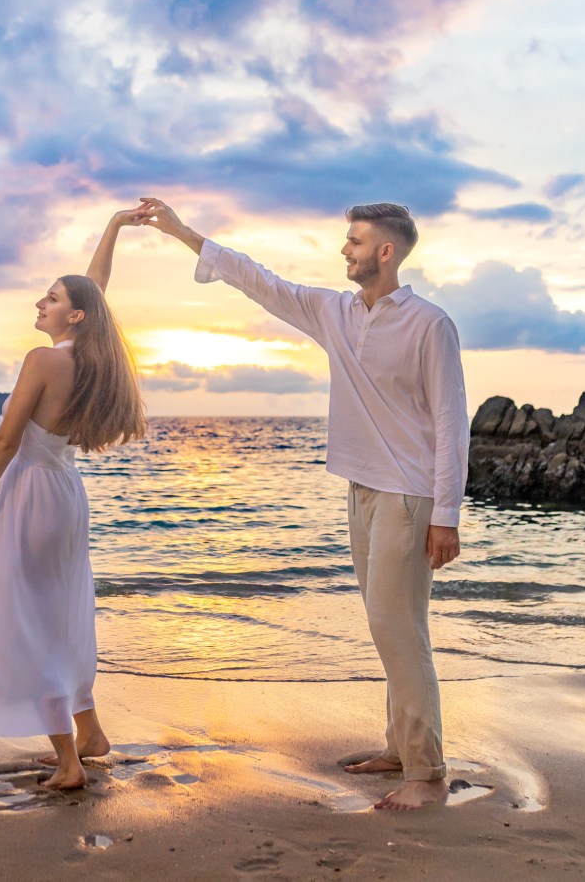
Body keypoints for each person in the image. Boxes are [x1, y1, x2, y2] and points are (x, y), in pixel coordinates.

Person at [138, 197, 468, 811]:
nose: (345, 248)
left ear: (386, 251)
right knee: (385, 624)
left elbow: (452, 423)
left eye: (356, 239)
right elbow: (260, 281)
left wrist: (446, 514)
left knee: (398, 627)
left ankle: (426, 773)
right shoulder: (333, 311)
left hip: (409, 493)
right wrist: (183, 232)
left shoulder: (430, 324)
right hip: (361, 488)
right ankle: (399, 747)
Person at [0, 209, 147, 790]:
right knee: (60, 616)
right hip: (66, 495)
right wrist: (113, 226)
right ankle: (90, 736)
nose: (39, 303)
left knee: (30, 621)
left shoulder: (45, 361)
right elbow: (97, 290)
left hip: (33, 495)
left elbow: (7, 440)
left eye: (51, 297)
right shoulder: (92, 360)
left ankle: (67, 762)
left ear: (74, 314)